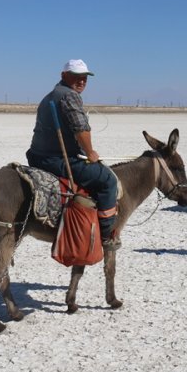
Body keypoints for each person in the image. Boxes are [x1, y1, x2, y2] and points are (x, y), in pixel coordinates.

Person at [26, 59, 120, 250]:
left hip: (36, 156)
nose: (82, 81)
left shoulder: (49, 96)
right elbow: (81, 129)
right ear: (64, 76)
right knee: (108, 181)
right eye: (76, 77)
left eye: (85, 77)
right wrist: (90, 152)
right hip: (57, 159)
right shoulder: (70, 96)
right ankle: (106, 236)